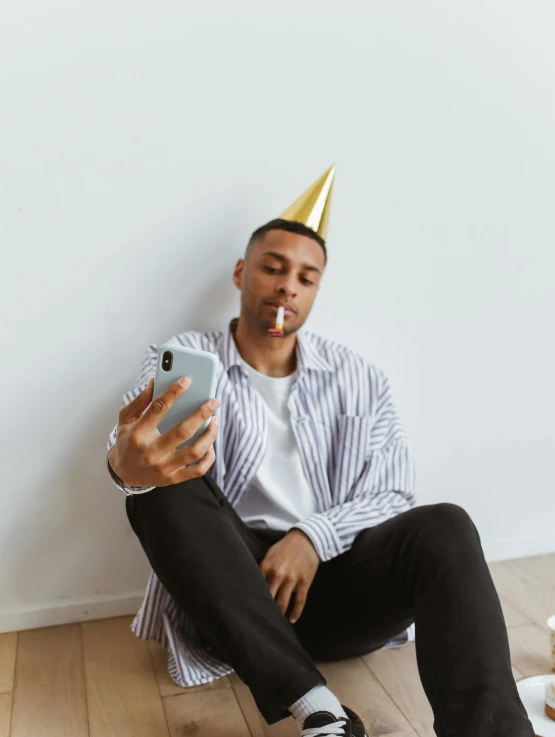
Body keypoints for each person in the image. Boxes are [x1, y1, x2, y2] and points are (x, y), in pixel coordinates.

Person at [106, 166, 534, 737]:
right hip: (230, 593)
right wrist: (124, 466)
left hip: (335, 592)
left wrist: (312, 538)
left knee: (447, 525)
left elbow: (393, 492)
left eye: (306, 278)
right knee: (157, 488)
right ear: (242, 272)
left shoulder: (360, 379)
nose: (288, 286)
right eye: (273, 267)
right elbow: (137, 453)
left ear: (315, 292)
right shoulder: (185, 356)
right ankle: (318, 709)